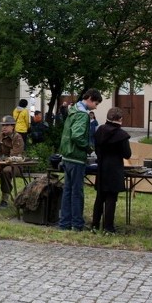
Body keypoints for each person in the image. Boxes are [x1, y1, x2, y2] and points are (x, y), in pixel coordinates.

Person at [58, 89, 102, 231]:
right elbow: (77, 136)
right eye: (95, 103)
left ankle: (64, 223)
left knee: (67, 191)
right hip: (76, 157)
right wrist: (89, 148)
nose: (96, 106)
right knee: (77, 192)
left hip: (67, 156)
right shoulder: (83, 115)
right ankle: (77, 224)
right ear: (89, 98)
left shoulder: (73, 110)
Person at [91, 107, 132, 235]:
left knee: (100, 197)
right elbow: (127, 154)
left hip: (102, 166)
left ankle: (95, 225)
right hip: (114, 169)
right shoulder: (121, 135)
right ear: (119, 119)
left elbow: (96, 149)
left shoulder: (100, 130)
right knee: (111, 198)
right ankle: (108, 227)